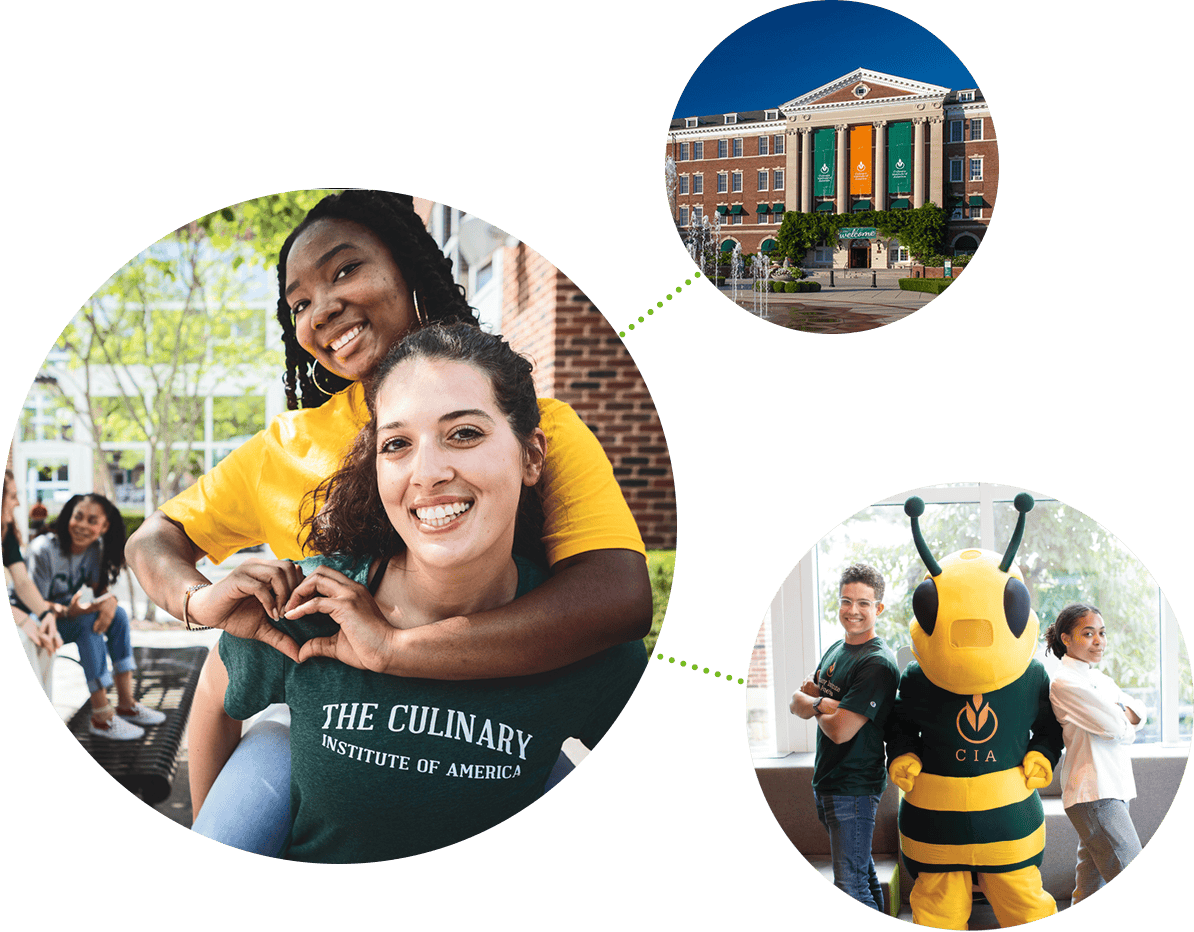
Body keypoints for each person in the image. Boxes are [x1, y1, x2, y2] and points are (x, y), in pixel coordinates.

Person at [126, 190, 651, 851]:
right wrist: (197, 600)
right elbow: (153, 541)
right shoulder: (283, 447)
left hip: (500, 729)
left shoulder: (533, 426)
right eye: (299, 303)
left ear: (407, 266)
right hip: (321, 728)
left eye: (345, 271)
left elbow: (616, 599)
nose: (323, 309)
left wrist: (396, 652)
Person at [188, 324, 647, 862]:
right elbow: (215, 691)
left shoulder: (584, 641)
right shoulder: (315, 602)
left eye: (464, 434)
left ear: (531, 457)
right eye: (398, 444)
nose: (427, 473)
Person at [789, 563, 899, 912]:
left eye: (864, 603)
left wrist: (816, 703)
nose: (853, 610)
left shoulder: (877, 663)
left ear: (878, 608)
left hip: (854, 786)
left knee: (849, 889)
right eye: (846, 601)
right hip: (828, 781)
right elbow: (795, 701)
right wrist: (827, 704)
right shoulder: (838, 649)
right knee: (863, 877)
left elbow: (840, 731)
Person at [17, 493, 164, 739]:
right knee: (87, 624)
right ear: (68, 518)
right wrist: (70, 611)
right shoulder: (43, 549)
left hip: (66, 615)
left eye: (92, 520)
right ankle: (101, 716)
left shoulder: (95, 549)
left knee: (117, 615)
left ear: (104, 527)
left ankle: (126, 704)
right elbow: (32, 602)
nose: (83, 525)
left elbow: (99, 593)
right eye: (78, 517)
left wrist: (109, 602)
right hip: (33, 619)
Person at [1046, 603, 1147, 905]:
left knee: (1089, 889)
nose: (1098, 641)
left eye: (1101, 633)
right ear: (1066, 638)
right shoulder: (1064, 682)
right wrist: (1121, 718)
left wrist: (1121, 718)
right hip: (1094, 793)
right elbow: (1117, 726)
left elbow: (1140, 712)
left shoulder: (1100, 679)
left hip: (1113, 789)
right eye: (1088, 633)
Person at [4, 468, 64, 693]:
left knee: (45, 639)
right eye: (12, 496)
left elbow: (23, 582)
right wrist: (24, 621)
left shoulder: (6, 533)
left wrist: (45, 615)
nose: (18, 503)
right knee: (23, 639)